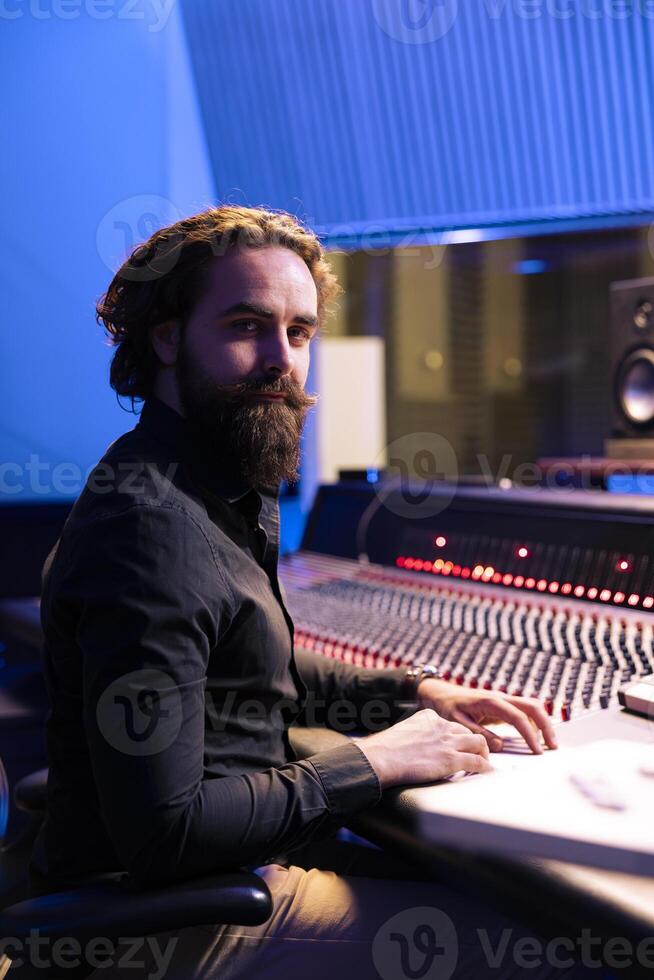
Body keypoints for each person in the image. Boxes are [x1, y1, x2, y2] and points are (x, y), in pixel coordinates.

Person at [30, 206, 577, 979]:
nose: (280, 359)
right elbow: (165, 833)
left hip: (242, 863)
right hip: (180, 919)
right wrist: (376, 762)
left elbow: (256, 660)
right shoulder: (148, 528)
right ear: (166, 338)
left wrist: (417, 692)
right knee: (555, 943)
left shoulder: (217, 481)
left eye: (299, 332)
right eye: (247, 326)